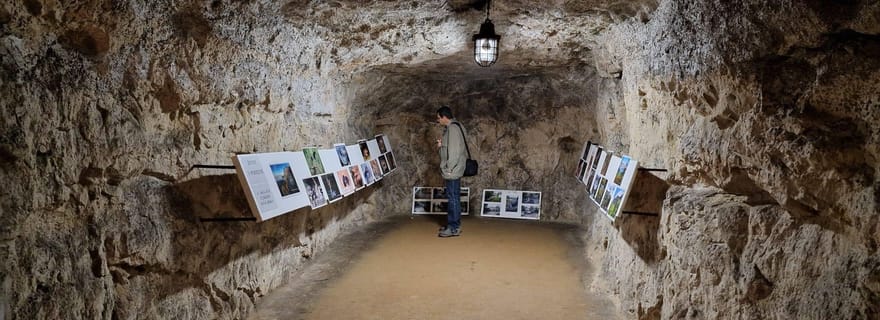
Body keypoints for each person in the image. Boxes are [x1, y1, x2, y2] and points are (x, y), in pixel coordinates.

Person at [435, 106, 468, 237]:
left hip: (453, 169)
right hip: (455, 168)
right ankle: (453, 224)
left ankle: (453, 227)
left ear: (444, 117)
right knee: (453, 196)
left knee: (453, 198)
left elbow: (454, 151)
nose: (437, 120)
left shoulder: (453, 129)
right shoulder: (456, 126)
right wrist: (441, 146)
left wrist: (449, 168)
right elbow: (452, 147)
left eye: (438, 118)